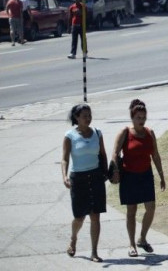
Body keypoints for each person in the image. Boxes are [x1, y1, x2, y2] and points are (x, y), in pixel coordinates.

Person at [110, 99, 166, 258]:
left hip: (146, 175)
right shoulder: (125, 132)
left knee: (151, 208)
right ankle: (132, 244)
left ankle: (142, 238)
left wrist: (161, 175)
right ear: (132, 118)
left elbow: (155, 155)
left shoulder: (150, 133)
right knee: (131, 211)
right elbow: (115, 152)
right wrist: (114, 170)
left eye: (143, 117)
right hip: (129, 176)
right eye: (138, 118)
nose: (141, 120)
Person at [61, 103, 108, 263]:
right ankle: (73, 238)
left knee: (95, 216)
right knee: (79, 217)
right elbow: (64, 158)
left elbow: (103, 154)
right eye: (84, 116)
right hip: (78, 178)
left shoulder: (97, 133)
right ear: (77, 118)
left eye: (89, 115)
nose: (88, 119)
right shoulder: (70, 136)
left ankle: (94, 252)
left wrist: (106, 172)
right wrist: (65, 177)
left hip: (95, 177)